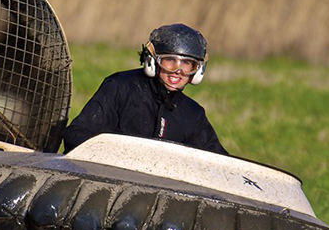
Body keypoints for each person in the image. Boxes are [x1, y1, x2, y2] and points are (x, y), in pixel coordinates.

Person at [62, 23, 227, 155]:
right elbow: (77, 136)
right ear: (152, 62)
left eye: (187, 64)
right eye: (170, 60)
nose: (178, 70)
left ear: (197, 71)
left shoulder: (193, 114)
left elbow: (219, 163)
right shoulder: (120, 86)